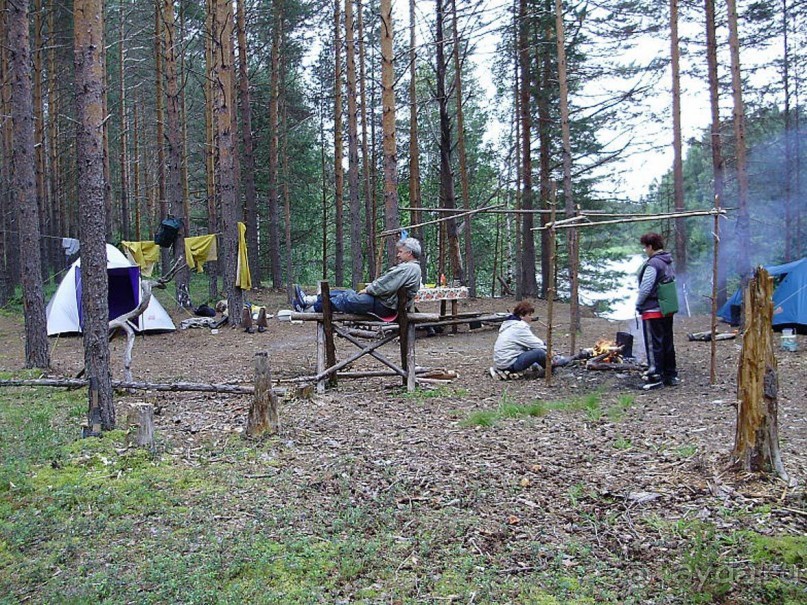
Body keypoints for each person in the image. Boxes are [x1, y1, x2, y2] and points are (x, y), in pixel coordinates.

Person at [293, 237, 422, 316]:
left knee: (347, 299)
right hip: (385, 303)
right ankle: (309, 300)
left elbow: (386, 284)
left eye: (400, 252)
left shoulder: (409, 268)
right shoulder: (411, 267)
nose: (398, 255)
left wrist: (369, 289)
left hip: (385, 306)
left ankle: (310, 309)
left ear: (409, 253)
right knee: (347, 292)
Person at [635, 232, 679, 389]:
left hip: (653, 310)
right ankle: (670, 374)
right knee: (667, 342)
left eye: (645, 247)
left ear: (650, 246)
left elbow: (646, 288)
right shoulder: (667, 262)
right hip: (666, 310)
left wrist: (638, 304)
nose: (645, 250)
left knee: (654, 344)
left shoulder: (653, 264)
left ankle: (655, 376)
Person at [489, 301, 569, 380]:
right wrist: (548, 350)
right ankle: (553, 365)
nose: (531, 317)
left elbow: (531, 342)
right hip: (509, 363)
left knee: (537, 348)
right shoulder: (519, 327)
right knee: (539, 352)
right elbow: (534, 343)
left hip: (502, 362)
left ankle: (546, 363)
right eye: (529, 315)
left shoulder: (510, 325)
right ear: (521, 316)